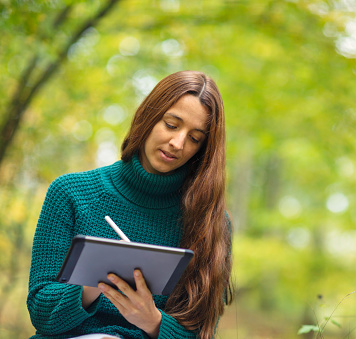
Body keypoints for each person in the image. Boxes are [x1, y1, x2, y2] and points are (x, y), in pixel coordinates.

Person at [27, 70, 234, 339]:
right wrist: (96, 282)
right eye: (171, 124)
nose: (177, 143)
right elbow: (41, 314)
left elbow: (202, 331)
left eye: (194, 138)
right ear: (148, 117)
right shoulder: (71, 193)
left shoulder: (210, 222)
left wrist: (153, 321)